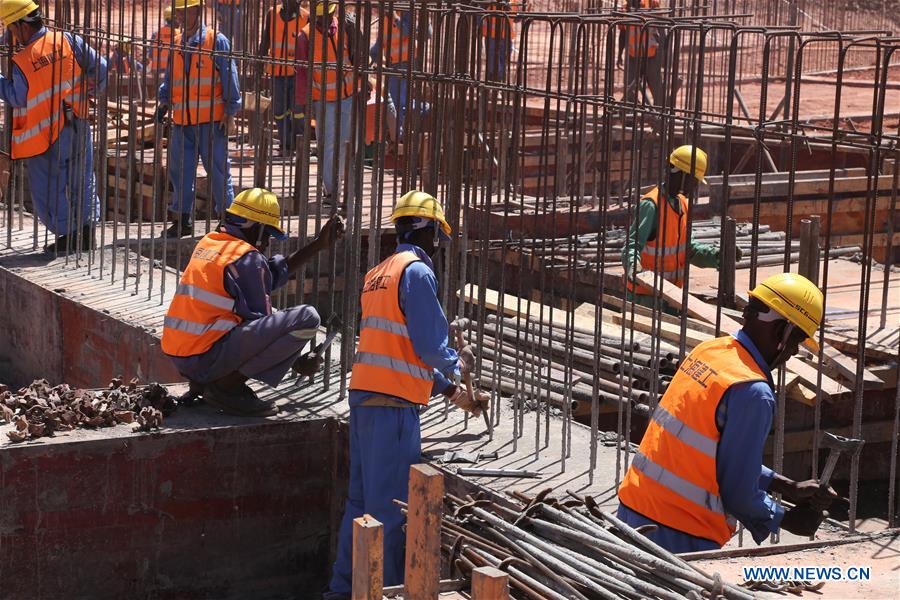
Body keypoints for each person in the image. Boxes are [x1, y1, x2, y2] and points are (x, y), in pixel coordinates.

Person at [325, 191, 486, 599]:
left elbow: (399, 351)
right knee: (391, 511)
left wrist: (453, 393)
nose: (440, 247)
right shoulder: (417, 273)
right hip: (393, 410)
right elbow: (430, 347)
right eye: (439, 237)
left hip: (365, 399)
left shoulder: (377, 274)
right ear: (429, 231)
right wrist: (459, 363)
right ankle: (386, 592)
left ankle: (343, 591)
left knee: (359, 505)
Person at [617, 272, 839, 552]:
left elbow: (707, 454)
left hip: (634, 507)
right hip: (680, 531)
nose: (793, 352)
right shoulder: (753, 392)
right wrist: (786, 519)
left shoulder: (709, 352)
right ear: (781, 330)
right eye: (796, 341)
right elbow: (738, 492)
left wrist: (785, 486)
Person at [161, 188, 344, 416]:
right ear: (255, 228)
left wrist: (317, 245)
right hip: (205, 357)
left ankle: (206, 384)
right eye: (267, 234)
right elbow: (263, 331)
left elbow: (268, 275)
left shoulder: (211, 243)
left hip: (183, 356)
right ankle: (227, 387)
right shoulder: (247, 258)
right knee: (308, 317)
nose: (266, 243)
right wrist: (296, 362)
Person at [0, 0, 106, 254]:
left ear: (22, 26)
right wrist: (88, 92)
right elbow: (101, 67)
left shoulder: (24, 60)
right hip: (77, 121)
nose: (12, 35)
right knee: (83, 179)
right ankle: (87, 232)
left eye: (11, 29)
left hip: (45, 134)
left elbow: (17, 97)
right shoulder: (68, 40)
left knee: (48, 189)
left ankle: (68, 235)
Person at [622, 145, 741, 313]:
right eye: (694, 180)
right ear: (681, 174)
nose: (695, 186)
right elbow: (631, 246)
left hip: (672, 297)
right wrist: (633, 266)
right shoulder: (651, 205)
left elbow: (688, 250)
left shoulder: (682, 204)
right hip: (646, 298)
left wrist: (716, 256)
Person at [158, 0, 241, 238]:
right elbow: (170, 78)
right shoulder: (176, 43)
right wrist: (164, 101)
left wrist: (230, 112)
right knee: (180, 171)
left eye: (184, 11)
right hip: (182, 121)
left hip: (211, 121)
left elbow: (230, 77)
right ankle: (182, 219)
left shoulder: (216, 41)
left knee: (218, 170)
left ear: (197, 10)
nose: (180, 16)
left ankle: (227, 220)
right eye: (178, 12)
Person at [295, 1, 364, 202]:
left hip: (348, 97)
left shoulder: (346, 27)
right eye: (320, 18)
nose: (324, 21)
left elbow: (357, 58)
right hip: (323, 101)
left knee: (349, 144)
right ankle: (332, 191)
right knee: (328, 145)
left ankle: (346, 186)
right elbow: (302, 73)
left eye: (328, 16)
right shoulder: (305, 36)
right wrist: (304, 102)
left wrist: (362, 83)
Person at [258, 0, 308, 156]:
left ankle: (298, 144)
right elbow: (265, 40)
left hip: (297, 74)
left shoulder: (306, 17)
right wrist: (259, 64)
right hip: (277, 72)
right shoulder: (272, 14)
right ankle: (285, 144)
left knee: (298, 111)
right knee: (279, 111)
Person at [369, 8, 429, 139]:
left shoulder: (406, 10)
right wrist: (369, 55)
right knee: (397, 99)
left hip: (407, 62)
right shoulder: (385, 18)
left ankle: (398, 134)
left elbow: (408, 31)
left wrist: (395, 17)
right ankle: (424, 108)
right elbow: (380, 42)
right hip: (393, 64)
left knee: (397, 100)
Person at [617, 0, 664, 105]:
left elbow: (662, 31)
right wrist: (619, 54)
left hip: (651, 55)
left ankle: (659, 113)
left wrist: (663, 53)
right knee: (629, 90)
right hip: (632, 56)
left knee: (657, 90)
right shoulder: (624, 9)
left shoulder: (652, 4)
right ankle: (632, 112)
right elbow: (622, 34)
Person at [480, 0, 516, 83]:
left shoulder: (513, 1)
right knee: (493, 61)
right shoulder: (490, 2)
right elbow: (481, 12)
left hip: (507, 36)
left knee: (503, 61)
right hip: (492, 36)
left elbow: (517, 18)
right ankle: (496, 81)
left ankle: (497, 81)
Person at [147, 7, 181, 74]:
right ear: (175, 19)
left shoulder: (156, 34)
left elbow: (150, 55)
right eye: (178, 18)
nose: (180, 21)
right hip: (172, 71)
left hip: (157, 72)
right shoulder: (179, 34)